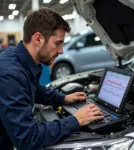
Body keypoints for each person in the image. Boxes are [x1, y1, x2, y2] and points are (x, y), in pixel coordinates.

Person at [0, 7, 104, 150]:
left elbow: (35, 90)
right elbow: (28, 139)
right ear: (38, 39)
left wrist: (63, 98)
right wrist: (75, 120)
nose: (61, 50)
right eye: (58, 43)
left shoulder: (17, 58)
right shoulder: (11, 75)